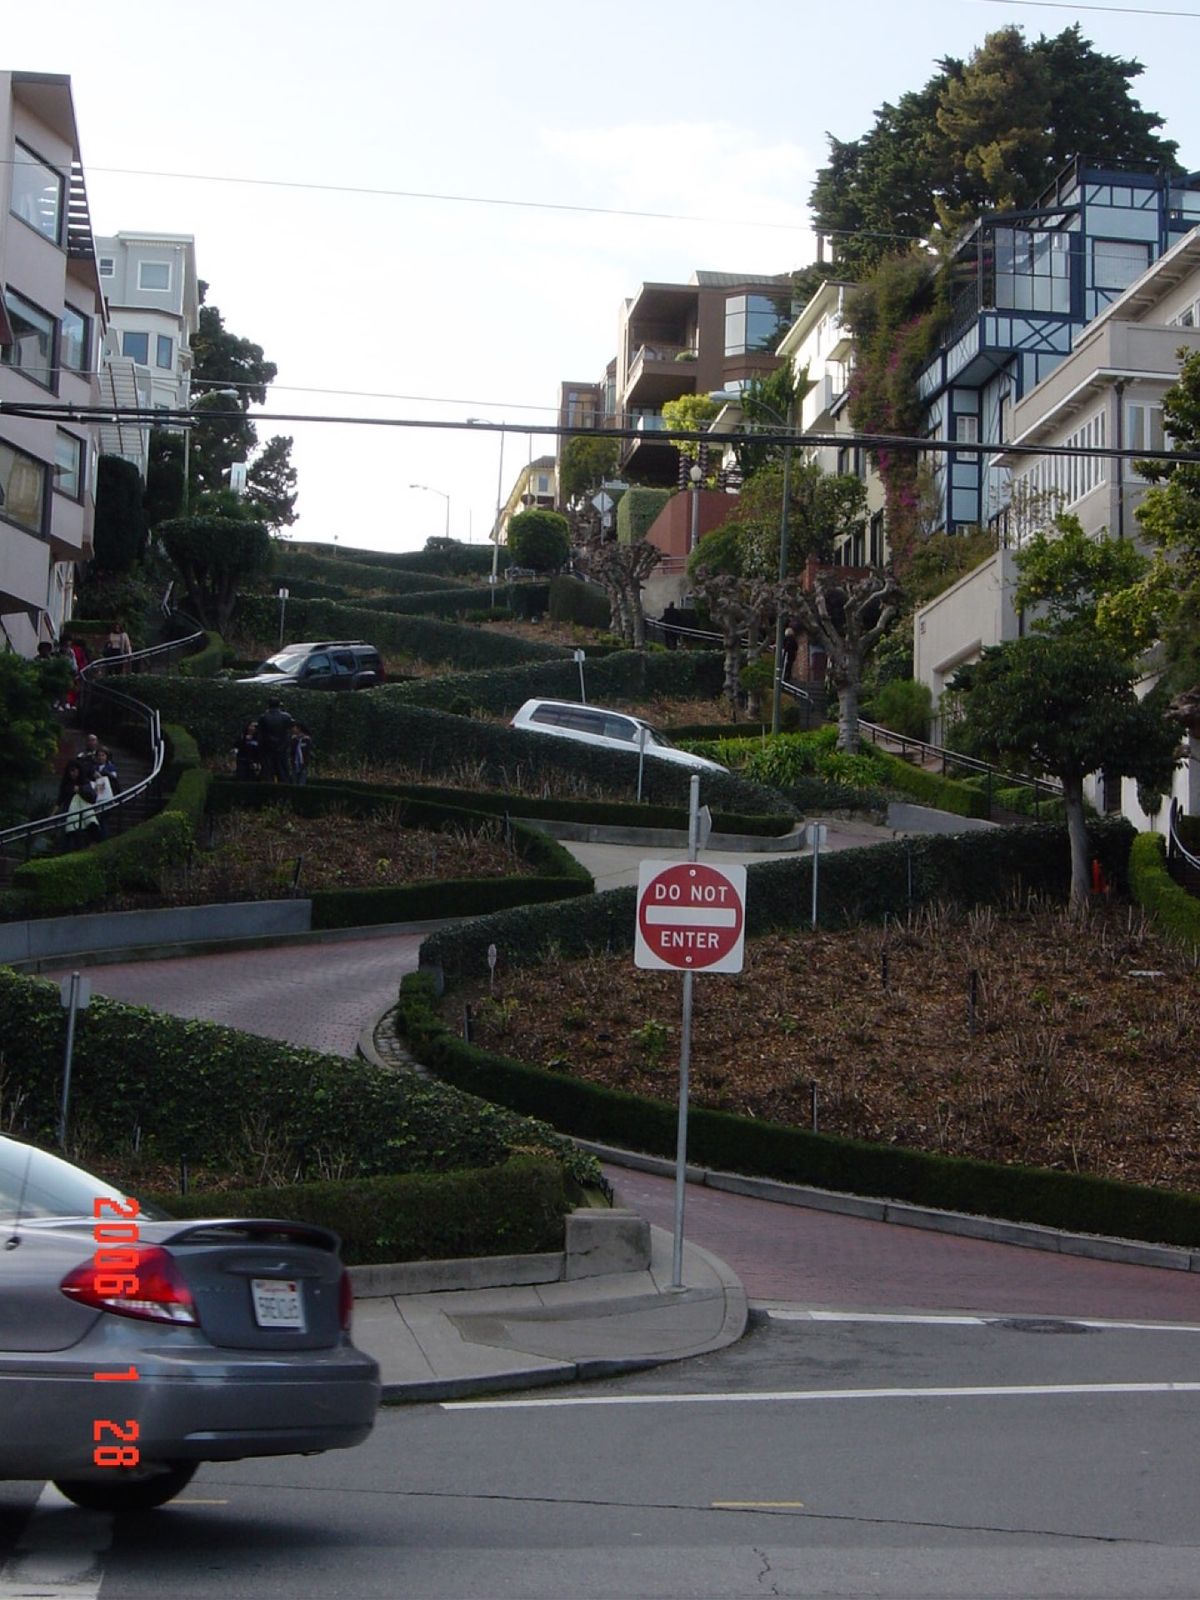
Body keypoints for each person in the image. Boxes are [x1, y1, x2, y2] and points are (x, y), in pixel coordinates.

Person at [255, 699, 294, 783]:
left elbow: (260, 735)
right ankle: (284, 793)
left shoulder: (263, 717)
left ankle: (269, 792)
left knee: (268, 772)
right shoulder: (286, 717)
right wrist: (284, 746)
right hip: (282, 749)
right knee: (283, 773)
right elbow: (289, 734)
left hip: (267, 748)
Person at [63, 781, 101, 849]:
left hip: (72, 826)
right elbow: (89, 817)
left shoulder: (76, 797)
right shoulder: (82, 798)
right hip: (79, 827)